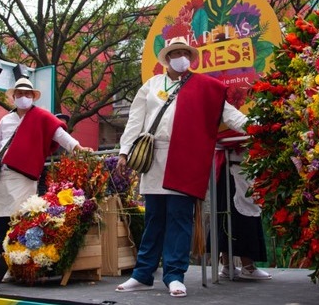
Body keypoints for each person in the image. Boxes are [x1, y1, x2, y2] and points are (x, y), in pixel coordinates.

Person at [114, 36, 248, 298]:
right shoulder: (152, 85)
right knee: (154, 218)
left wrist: (259, 128)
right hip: (154, 157)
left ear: (190, 57)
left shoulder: (205, 87)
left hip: (185, 157)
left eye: (184, 53)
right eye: (175, 53)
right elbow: (135, 120)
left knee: (180, 217)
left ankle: (174, 275)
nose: (180, 57)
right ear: (167, 58)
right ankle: (142, 274)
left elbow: (230, 114)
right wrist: (124, 151)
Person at [0, 78, 91, 257]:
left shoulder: (42, 117)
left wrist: (78, 148)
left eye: (27, 94)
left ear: (32, 97)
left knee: (19, 222)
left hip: (24, 178)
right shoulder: (6, 119)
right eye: (20, 93)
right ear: (14, 96)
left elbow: (61, 135)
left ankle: (12, 261)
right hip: (0, 176)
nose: (23, 96)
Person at [211, 144, 271, 280]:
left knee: (231, 214)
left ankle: (229, 266)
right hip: (234, 166)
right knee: (240, 216)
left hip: (236, 166)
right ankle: (246, 266)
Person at [36, 112, 71, 196]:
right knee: (45, 192)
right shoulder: (47, 138)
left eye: (64, 123)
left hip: (62, 173)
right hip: (47, 172)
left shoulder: (68, 140)